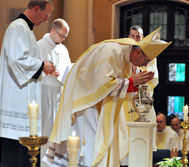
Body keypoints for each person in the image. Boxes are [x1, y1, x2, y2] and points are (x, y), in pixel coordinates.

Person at [43, 27, 171, 167]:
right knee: (87, 145)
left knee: (95, 144)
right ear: (138, 52)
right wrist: (133, 81)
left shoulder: (127, 55)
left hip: (96, 99)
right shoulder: (113, 51)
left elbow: (117, 84)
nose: (145, 65)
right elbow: (104, 83)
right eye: (145, 60)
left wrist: (135, 83)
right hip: (86, 100)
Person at [0, 1, 54, 167]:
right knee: (15, 155)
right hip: (17, 102)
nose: (45, 20)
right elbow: (17, 58)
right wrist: (42, 65)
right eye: (45, 16)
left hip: (24, 99)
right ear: (36, 9)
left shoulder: (26, 29)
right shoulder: (18, 27)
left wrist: (41, 64)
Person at [119, 25, 159, 166]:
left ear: (142, 38)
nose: (135, 38)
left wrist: (140, 75)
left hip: (142, 103)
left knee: (142, 146)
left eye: (138, 36)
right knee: (124, 145)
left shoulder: (149, 56)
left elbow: (153, 78)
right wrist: (133, 78)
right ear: (128, 37)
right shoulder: (122, 52)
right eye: (133, 35)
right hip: (124, 103)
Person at [37, 18, 72, 164]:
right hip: (45, 93)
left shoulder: (63, 49)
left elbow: (67, 68)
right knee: (47, 132)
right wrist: (46, 72)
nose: (63, 39)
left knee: (59, 134)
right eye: (62, 35)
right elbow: (30, 70)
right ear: (53, 31)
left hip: (59, 94)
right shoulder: (39, 46)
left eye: (66, 36)